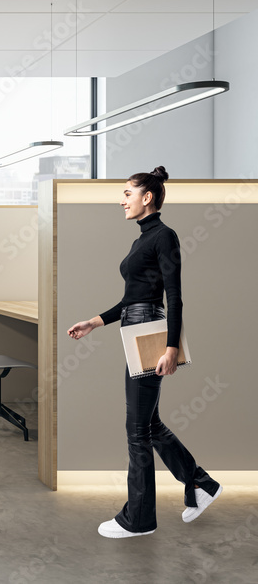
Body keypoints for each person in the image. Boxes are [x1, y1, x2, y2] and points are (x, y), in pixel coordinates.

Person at [66, 166, 221, 538]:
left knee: (137, 429)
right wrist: (94, 321)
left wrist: (171, 347)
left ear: (146, 197)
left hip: (151, 335)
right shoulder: (142, 239)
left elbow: (174, 295)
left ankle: (139, 519)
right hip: (137, 330)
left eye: (127, 193)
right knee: (147, 424)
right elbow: (131, 299)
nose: (122, 200)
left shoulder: (164, 236)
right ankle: (200, 483)